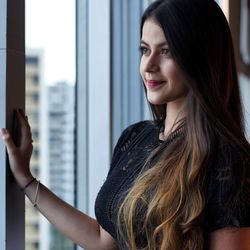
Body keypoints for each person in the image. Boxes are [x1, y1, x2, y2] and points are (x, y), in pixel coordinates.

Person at [1, 0, 250, 249]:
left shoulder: (229, 160)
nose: (149, 66)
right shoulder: (135, 137)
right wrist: (26, 179)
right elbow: (103, 240)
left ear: (201, 58)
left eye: (166, 51)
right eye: (144, 50)